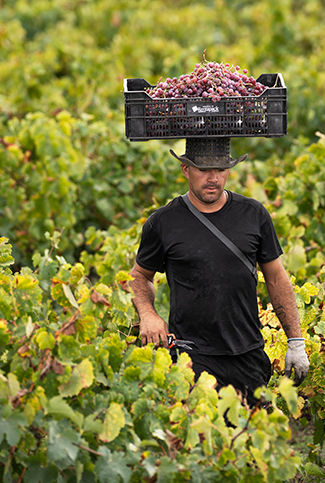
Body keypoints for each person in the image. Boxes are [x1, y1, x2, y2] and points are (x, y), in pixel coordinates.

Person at [129, 137, 309, 406]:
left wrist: (295, 341)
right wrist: (148, 314)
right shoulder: (163, 222)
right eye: (203, 169)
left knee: (250, 441)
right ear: (185, 170)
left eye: (220, 170)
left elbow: (276, 278)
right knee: (201, 440)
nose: (213, 178)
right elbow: (139, 276)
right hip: (191, 357)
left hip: (247, 354)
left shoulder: (254, 214)